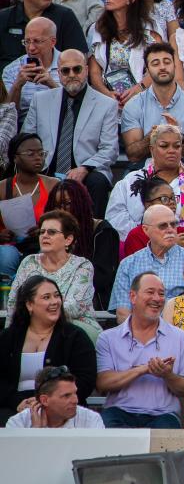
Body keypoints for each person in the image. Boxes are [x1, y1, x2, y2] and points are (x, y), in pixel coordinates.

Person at [21, 49, 117, 215]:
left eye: (77, 69)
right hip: (46, 166)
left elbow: (110, 150)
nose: (72, 74)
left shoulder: (106, 105)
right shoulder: (41, 100)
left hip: (87, 170)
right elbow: (25, 139)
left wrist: (85, 168)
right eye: (66, 70)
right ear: (58, 73)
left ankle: (93, 234)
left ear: (86, 70)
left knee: (98, 181)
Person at [96, 271, 184, 428]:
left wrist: (167, 375)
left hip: (163, 414)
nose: (157, 299)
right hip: (118, 411)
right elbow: (102, 383)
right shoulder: (108, 338)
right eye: (150, 292)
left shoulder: (180, 338)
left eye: (161, 294)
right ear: (133, 296)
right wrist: (141, 370)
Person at [108, 129, 184, 257]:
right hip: (142, 242)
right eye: (164, 146)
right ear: (152, 150)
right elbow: (115, 219)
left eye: (177, 146)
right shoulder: (130, 182)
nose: (171, 150)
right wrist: (157, 238)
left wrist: (183, 235)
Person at [0, 275, 96, 425]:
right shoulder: (8, 337)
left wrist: (50, 401)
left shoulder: (75, 337)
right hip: (14, 407)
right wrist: (18, 402)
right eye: (46, 297)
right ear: (29, 304)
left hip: (61, 409)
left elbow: (86, 380)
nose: (54, 302)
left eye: (57, 296)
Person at [6, 209, 99, 340]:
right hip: (32, 326)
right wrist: (9, 335)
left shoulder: (82, 265)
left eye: (52, 232)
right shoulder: (29, 262)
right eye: (42, 232)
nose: (45, 236)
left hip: (75, 328)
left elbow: (74, 307)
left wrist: (37, 316)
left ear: (68, 239)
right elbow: (13, 302)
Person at [120, 44, 184, 165]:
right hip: (146, 169)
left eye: (167, 62)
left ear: (175, 65)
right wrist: (153, 136)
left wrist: (179, 136)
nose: (162, 67)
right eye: (155, 63)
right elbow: (133, 155)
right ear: (147, 70)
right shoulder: (133, 105)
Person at [44, 179, 119, 311]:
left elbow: (101, 279)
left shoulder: (102, 232)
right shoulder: (46, 234)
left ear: (80, 204)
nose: (61, 210)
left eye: (67, 204)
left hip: (90, 305)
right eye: (56, 206)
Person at [107, 205, 184, 323]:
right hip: (140, 332)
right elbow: (123, 314)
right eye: (163, 226)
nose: (170, 229)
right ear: (146, 230)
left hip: (181, 330)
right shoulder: (128, 264)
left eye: (173, 224)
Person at [87, 0, 161, 104]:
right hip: (106, 100)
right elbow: (94, 72)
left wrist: (139, 88)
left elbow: (159, 65)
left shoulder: (150, 28)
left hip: (145, 98)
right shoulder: (97, 29)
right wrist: (107, 94)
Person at [0, 0, 85, 73]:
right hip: (9, 85)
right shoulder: (3, 18)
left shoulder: (65, 16)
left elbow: (78, 59)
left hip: (54, 84)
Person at [0, 133, 60, 274]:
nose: (38, 157)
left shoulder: (53, 185)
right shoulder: (2, 188)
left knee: (45, 253)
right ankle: (6, 291)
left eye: (41, 153)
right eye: (31, 153)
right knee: (6, 256)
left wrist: (45, 230)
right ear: (15, 158)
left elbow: (65, 220)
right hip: (10, 245)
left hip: (44, 243)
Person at [5, 365, 104, 428]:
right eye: (66, 395)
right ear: (45, 400)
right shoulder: (18, 423)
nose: (75, 400)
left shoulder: (91, 420)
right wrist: (36, 432)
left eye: (75, 393)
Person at [2, 14, 59, 115]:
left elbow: (77, 106)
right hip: (22, 127)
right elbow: (5, 114)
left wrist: (52, 84)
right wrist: (17, 85)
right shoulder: (11, 70)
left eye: (37, 41)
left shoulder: (70, 65)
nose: (31, 48)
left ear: (52, 42)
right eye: (27, 42)